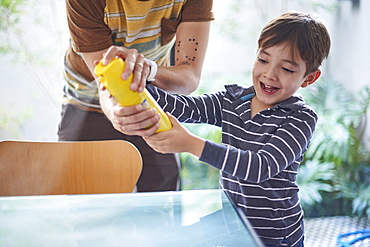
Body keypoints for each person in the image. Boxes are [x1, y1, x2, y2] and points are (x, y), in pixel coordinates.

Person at [139, 11, 331, 246]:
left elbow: (260, 167)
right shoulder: (232, 100)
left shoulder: (300, 119)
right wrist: (143, 77)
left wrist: (191, 144)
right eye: (263, 60)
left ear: (309, 78)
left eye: (287, 69)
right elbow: (182, 107)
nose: (269, 74)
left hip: (276, 237)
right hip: (234, 226)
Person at [58, 0, 214, 192]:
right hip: (86, 101)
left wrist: (150, 70)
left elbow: (190, 76)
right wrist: (116, 112)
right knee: (85, 205)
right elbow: (104, 79)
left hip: (151, 97)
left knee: (162, 204)